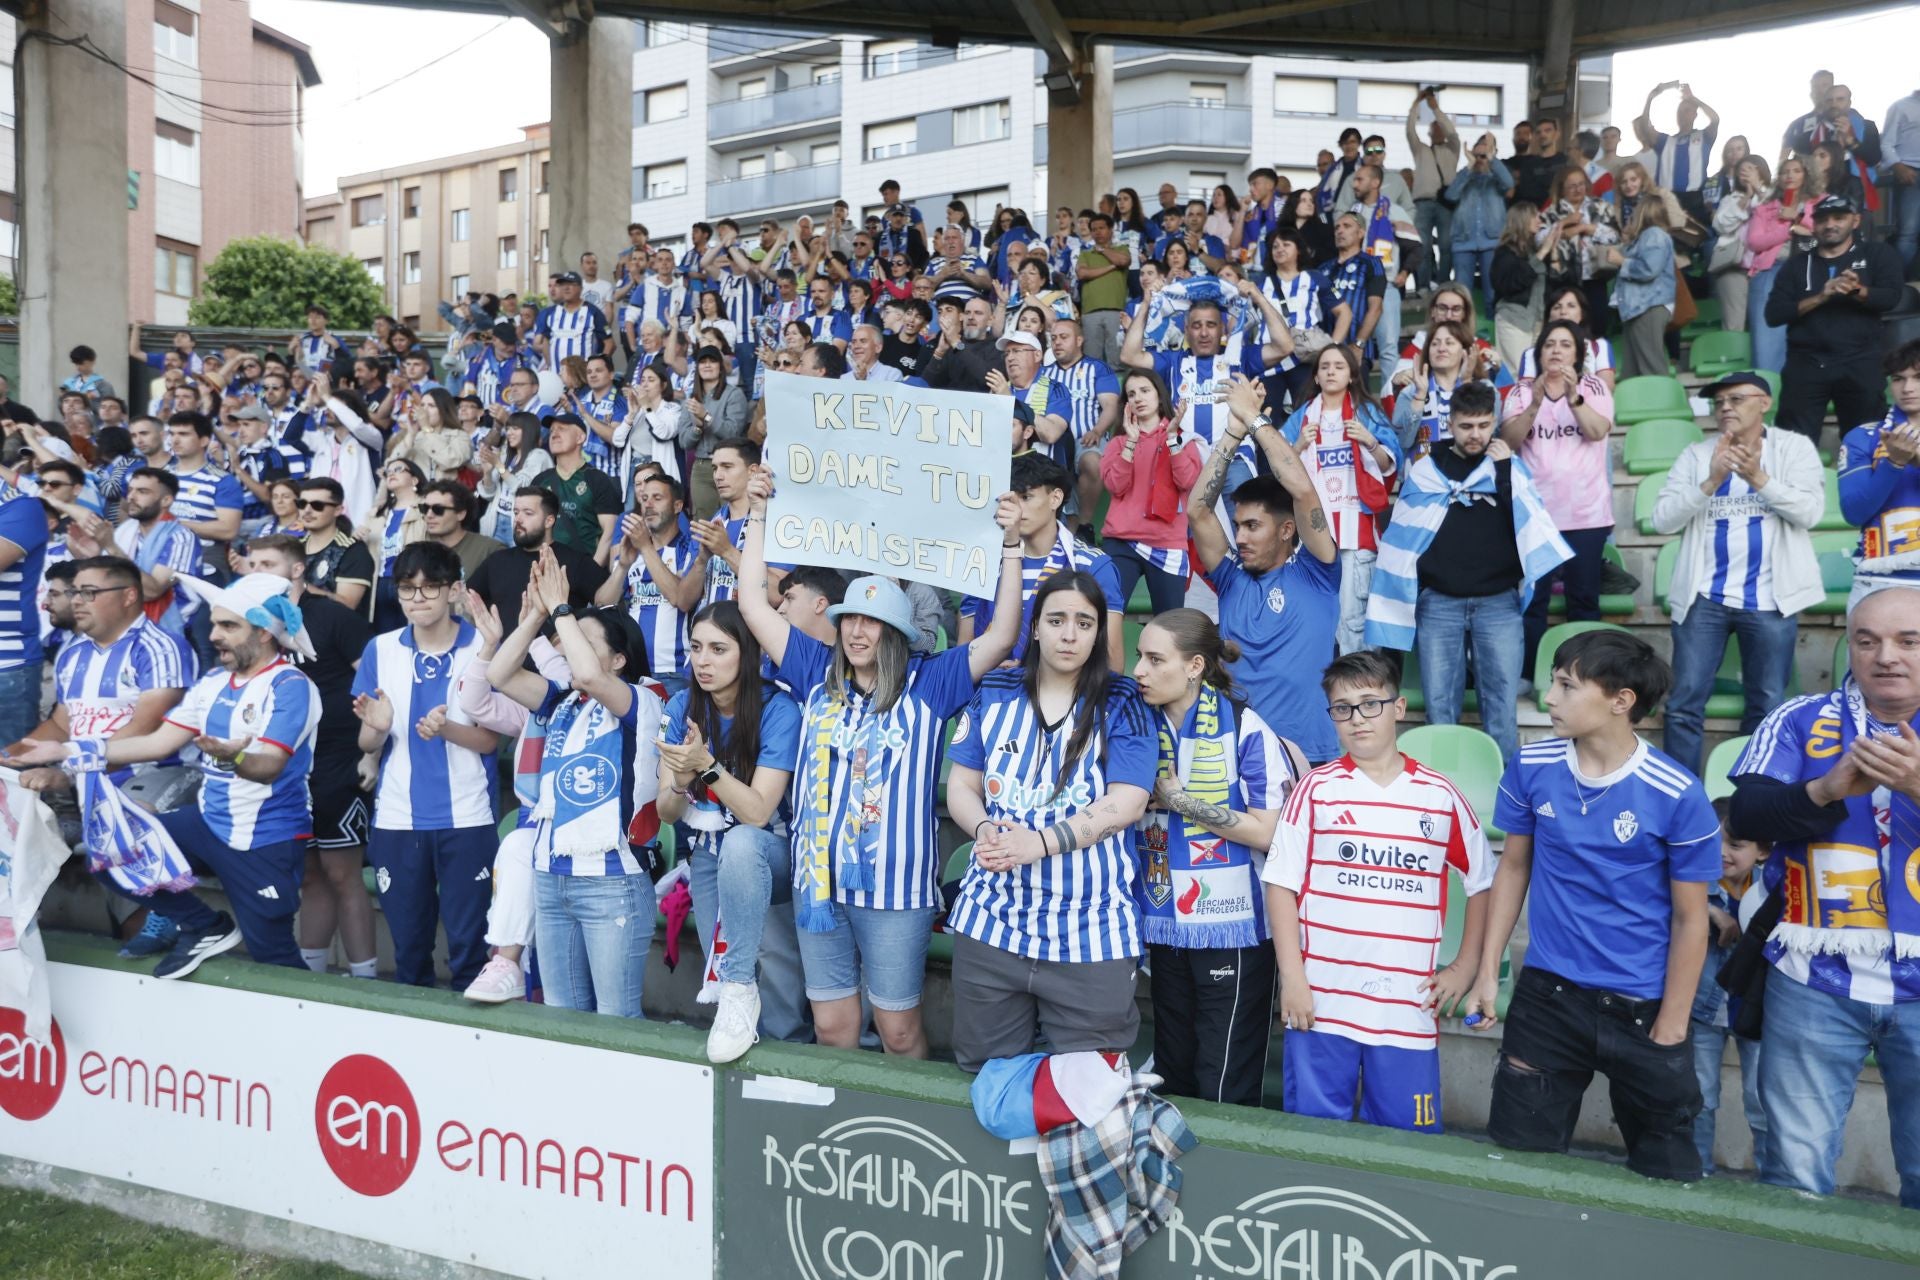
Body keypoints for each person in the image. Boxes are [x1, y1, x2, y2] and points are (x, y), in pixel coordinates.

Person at [732, 462, 1024, 1058]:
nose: (858, 631)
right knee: (834, 1030)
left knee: (898, 1032)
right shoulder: (814, 671)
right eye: (849, 620)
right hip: (821, 882)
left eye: (872, 621)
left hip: (897, 893)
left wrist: (1012, 546)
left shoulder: (930, 682)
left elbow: (1000, 638)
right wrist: (758, 516)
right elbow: (752, 606)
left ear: (896, 630)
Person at [1464, 629, 1719, 1182]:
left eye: (1565, 686)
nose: (1548, 699)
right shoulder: (1531, 766)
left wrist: (1672, 1026)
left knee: (1666, 1176)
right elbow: (1513, 867)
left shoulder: (1677, 792)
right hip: (1548, 998)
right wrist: (1490, 972)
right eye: (1552, 683)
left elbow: (1691, 918)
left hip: (1645, 1007)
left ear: (1620, 700)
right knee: (1519, 1166)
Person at [7, 573, 322, 979]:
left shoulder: (291, 686)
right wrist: (68, 751)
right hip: (207, 820)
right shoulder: (212, 682)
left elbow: (267, 768)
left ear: (263, 634)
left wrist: (233, 756)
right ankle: (204, 925)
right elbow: (158, 743)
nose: (215, 635)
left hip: (265, 836)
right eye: (213, 623)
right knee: (113, 853)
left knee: (272, 954)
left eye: (229, 626)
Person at [1733, 585, 1920, 1211]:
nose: (1885, 656)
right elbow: (1750, 813)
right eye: (1868, 641)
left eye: (1908, 641)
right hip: (1814, 978)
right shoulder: (1798, 718)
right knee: (1793, 1177)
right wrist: (1824, 789)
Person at [1266, 650, 1492, 1132]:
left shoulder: (1440, 795)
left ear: (1399, 706)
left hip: (1405, 1009)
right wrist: (1293, 979)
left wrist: (1466, 965)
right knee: (1311, 1141)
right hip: (1320, 1004)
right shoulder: (1316, 790)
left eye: (1370, 703)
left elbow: (1483, 883)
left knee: (1407, 1147)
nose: (1356, 719)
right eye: (1342, 708)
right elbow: (1281, 886)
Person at [944, 572, 1156, 1074]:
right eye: (1056, 620)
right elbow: (962, 787)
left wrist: (1039, 843)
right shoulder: (995, 691)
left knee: (1089, 1089)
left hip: (1090, 930)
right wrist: (982, 830)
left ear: (1100, 632)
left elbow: (1128, 801)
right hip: (992, 923)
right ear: (1034, 627)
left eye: (1084, 623)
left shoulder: (1122, 701)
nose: (1069, 634)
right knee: (986, 1076)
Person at [1130, 609, 1302, 1104]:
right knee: (1175, 1073)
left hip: (1235, 925)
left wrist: (1181, 800)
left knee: (1222, 1081)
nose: (1139, 669)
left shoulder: (1247, 729)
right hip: (1164, 919)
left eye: (1154, 658)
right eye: (1140, 656)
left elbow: (1271, 834)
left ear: (1195, 666)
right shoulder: (1138, 724)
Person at [485, 549, 665, 1017]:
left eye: (583, 636)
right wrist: (536, 618)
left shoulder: (642, 701)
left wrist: (564, 609)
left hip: (613, 882)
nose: (566, 643)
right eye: (566, 636)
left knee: (616, 1020)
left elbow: (588, 671)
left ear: (620, 658)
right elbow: (498, 674)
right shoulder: (561, 699)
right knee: (562, 1017)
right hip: (551, 876)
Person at [1368, 381, 1570, 765]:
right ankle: (1442, 797)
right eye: (1466, 426)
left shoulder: (1509, 465)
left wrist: (1504, 471)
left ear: (1494, 422)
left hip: (1498, 602)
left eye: (1483, 425)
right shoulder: (1427, 469)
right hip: (1440, 602)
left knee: (1501, 710)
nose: (1475, 434)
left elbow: (1531, 528)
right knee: (1439, 709)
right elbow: (1405, 535)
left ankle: (1508, 801)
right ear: (1451, 423)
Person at [1653, 372, 1826, 777]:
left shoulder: (1793, 448)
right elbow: (1663, 519)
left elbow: (1810, 512)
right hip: (1705, 599)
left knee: (1766, 705)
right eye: (1719, 402)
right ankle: (1684, 797)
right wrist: (1711, 480)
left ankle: (1752, 794)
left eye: (1735, 399)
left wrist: (1758, 479)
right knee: (1682, 704)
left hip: (1771, 599)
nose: (1725, 408)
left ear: (1764, 403)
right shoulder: (1697, 455)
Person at [656, 600, 805, 1062]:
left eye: (719, 649)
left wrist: (706, 766)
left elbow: (759, 813)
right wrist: (682, 780)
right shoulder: (682, 704)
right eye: (696, 647)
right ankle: (742, 1050)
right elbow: (665, 811)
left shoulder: (779, 708)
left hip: (771, 852)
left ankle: (786, 1053)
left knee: (774, 969)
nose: (703, 660)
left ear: (748, 653)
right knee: (725, 965)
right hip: (710, 852)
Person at [351, 541, 499, 991]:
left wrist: (447, 729)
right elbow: (367, 740)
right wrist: (377, 729)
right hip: (397, 818)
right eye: (408, 589)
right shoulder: (379, 649)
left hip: (468, 817)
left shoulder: (484, 647)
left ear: (455, 590)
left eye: (430, 588)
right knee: (409, 952)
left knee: (469, 951)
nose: (418, 599)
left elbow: (491, 740)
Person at [1190, 376, 1341, 765]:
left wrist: (1254, 418)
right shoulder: (1230, 578)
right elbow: (1198, 511)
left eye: (1252, 526)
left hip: (1309, 756)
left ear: (1287, 529)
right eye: (1238, 526)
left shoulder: (1318, 573)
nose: (1239, 537)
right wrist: (1232, 431)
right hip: (1240, 754)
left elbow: (1303, 491)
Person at [245, 535, 376, 981]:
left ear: (298, 569)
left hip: (340, 761)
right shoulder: (253, 625)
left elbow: (377, 686)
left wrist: (372, 751)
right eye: (252, 563)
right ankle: (312, 979)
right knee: (311, 877)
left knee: (344, 875)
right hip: (285, 767)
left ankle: (367, 982)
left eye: (268, 563)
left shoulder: (333, 615)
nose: (256, 570)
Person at [1502, 319, 1615, 665]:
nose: (1556, 351)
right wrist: (1535, 403)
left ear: (1578, 353)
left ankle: (1586, 673)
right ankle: (1532, 671)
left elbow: (1597, 431)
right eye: (1549, 344)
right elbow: (1509, 441)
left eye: (1565, 345)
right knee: (1533, 602)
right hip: (1536, 516)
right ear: (1539, 353)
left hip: (1586, 515)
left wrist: (1573, 398)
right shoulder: (1521, 392)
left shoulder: (1594, 387)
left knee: (1583, 601)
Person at [1278, 343, 1400, 655]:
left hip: (1354, 532)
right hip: (1312, 533)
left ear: (1351, 376)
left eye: (1339, 366)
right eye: (1325, 366)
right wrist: (1297, 447)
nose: (1331, 371)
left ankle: (1358, 692)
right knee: (1314, 619)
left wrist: (1370, 441)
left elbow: (1390, 467)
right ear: (1316, 377)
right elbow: (1280, 469)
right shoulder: (1303, 416)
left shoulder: (1367, 413)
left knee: (1353, 620)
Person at [959, 452, 1124, 671]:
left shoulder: (1093, 565)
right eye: (1010, 500)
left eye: (1026, 498)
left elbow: (1111, 663)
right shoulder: (983, 562)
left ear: (1055, 498)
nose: (1016, 510)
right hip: (991, 692)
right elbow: (964, 652)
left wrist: (1032, 672)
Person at [1764, 194, 1907, 447]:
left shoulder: (1877, 253)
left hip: (1860, 361)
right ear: (1814, 224)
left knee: (1866, 443)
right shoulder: (1796, 264)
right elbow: (1774, 314)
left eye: (1839, 218)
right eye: (1822, 219)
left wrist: (1855, 290)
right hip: (1806, 363)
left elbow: (1891, 297)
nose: (1830, 224)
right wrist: (1822, 296)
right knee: (1792, 445)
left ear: (1855, 220)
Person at [1689, 799, 1768, 1177]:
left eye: (1735, 845)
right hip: (1703, 1010)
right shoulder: (1692, 888)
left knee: (1762, 1101)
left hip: (1756, 1012)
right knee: (1700, 1097)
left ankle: (1776, 1186)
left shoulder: (1771, 892)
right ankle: (1698, 1173)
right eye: (1714, 842)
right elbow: (1660, 890)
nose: (1721, 853)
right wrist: (1707, 909)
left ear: (1763, 851)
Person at [1099, 370, 1199, 617]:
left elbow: (1186, 481)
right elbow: (1115, 486)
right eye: (1131, 394)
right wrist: (1131, 442)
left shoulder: (1185, 440)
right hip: (1122, 540)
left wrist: (1172, 439)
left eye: (1145, 391)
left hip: (1167, 541)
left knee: (1170, 625)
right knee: (1106, 618)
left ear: (1159, 395)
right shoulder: (1118, 443)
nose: (1138, 398)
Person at [596, 470, 701, 693]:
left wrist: (646, 547)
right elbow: (602, 605)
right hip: (632, 671)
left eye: (657, 498)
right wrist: (622, 566)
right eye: (644, 499)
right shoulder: (633, 549)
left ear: (678, 506)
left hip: (674, 673)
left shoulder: (689, 547)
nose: (649, 504)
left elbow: (680, 598)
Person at [466, 489, 608, 635]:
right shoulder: (497, 560)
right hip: (504, 654)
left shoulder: (575, 561)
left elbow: (607, 601)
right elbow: (466, 597)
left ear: (549, 521)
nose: (518, 519)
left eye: (528, 513)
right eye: (516, 512)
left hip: (557, 654)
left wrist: (622, 566)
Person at [1839, 341, 1920, 596]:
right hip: (1880, 576)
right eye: (1898, 379)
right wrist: (1893, 464)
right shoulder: (1863, 436)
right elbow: (1854, 512)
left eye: (1918, 377)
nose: (1908, 388)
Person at [1743, 155, 1820, 372]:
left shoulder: (1820, 202)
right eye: (1785, 171)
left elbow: (1826, 233)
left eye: (1796, 170)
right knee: (1766, 340)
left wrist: (1797, 216)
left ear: (1806, 174)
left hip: (1811, 271)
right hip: (1771, 270)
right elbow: (1755, 241)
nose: (1790, 175)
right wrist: (1790, 229)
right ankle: (1767, 395)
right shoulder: (1766, 207)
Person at [109, 466, 200, 645]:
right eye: (130, 490)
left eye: (142, 492)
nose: (131, 497)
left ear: (166, 500)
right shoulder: (125, 531)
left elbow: (153, 590)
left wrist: (111, 548)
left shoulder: (180, 536)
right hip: (126, 631)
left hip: (169, 636)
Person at [1600, 197, 1677, 380]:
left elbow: (1649, 269)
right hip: (1637, 309)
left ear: (1644, 213)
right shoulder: (1645, 237)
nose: (1631, 216)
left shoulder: (1654, 234)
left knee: (1652, 367)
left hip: (1648, 306)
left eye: (1635, 212)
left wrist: (1621, 261)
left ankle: (1662, 406)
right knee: (1631, 372)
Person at [531, 412, 623, 563]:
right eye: (552, 430)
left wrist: (593, 571)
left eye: (562, 429)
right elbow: (531, 526)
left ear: (580, 438)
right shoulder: (540, 480)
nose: (554, 434)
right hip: (545, 570)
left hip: (583, 570)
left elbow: (610, 531)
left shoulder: (597, 479)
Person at [1541, 165, 1622, 326]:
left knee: (1598, 323)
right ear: (1562, 188)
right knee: (1566, 326)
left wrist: (1585, 228)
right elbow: (1539, 240)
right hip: (1563, 279)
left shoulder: (1601, 206)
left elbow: (1615, 236)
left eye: (1581, 184)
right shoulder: (1552, 211)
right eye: (1572, 186)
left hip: (1595, 275)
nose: (1578, 189)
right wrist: (1565, 223)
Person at [1446, 135, 1517, 314]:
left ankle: (1493, 332)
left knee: (1492, 291)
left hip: (1492, 242)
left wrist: (1492, 159)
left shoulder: (1497, 179)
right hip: (1463, 242)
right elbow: (1450, 195)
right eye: (1476, 155)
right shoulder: (1464, 177)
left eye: (1483, 156)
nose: (1479, 160)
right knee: (1462, 293)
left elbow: (1509, 183)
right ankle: (1462, 330)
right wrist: (1468, 167)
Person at [1633, 82, 1721, 222]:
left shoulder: (1704, 136)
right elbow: (1644, 127)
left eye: (1687, 110)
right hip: (1667, 198)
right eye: (1679, 111)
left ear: (1695, 115)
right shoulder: (1665, 141)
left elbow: (1715, 119)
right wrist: (1650, 98)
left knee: (1694, 238)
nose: (1682, 114)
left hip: (1695, 199)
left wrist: (1694, 99)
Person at [1490, 203, 1557, 372]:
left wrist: (1553, 251)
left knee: (1535, 374)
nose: (1539, 220)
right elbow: (1510, 285)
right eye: (1534, 216)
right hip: (1514, 319)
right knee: (1517, 373)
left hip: (1537, 321)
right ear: (1522, 219)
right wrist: (1543, 253)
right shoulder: (1505, 252)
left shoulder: (1533, 251)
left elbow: (1557, 282)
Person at [1406, 87, 1461, 291]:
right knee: (1424, 246)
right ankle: (1422, 285)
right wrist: (1416, 105)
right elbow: (1410, 130)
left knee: (1447, 246)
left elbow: (1452, 132)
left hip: (1446, 204)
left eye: (1440, 127)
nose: (1438, 130)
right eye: (1434, 127)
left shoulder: (1452, 148)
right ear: (1428, 132)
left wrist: (1435, 109)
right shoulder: (1421, 150)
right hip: (1422, 203)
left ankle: (1443, 284)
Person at [1709, 155, 1769, 335]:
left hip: (1765, 267)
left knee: (1763, 324)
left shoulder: (1773, 195)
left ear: (1761, 170)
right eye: (1742, 170)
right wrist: (1747, 199)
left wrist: (1758, 190)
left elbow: (1775, 217)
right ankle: (1735, 362)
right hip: (1733, 266)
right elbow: (1720, 225)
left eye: (1751, 168)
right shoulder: (1730, 199)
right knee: (1734, 325)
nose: (1745, 172)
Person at [476, 411, 552, 548]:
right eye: (508, 428)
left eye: (515, 428)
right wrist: (487, 472)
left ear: (529, 431)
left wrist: (498, 465)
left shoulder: (539, 456)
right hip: (495, 521)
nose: (509, 433)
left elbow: (523, 489)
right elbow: (488, 494)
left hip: (521, 524)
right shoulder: (506, 454)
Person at [1075, 213, 1133, 370]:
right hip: (1090, 312)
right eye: (1094, 229)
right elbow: (1082, 274)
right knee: (1091, 361)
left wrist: (1102, 250)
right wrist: (1111, 267)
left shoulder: (1122, 249)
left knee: (1118, 360)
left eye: (1101, 228)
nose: (1097, 232)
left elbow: (1123, 261)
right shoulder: (1085, 254)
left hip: (1116, 311)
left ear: (1111, 230)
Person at [1884, 86, 1920, 274]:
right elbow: (1886, 143)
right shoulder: (1901, 106)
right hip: (1910, 175)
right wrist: (1898, 166)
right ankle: (1898, 285)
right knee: (1908, 233)